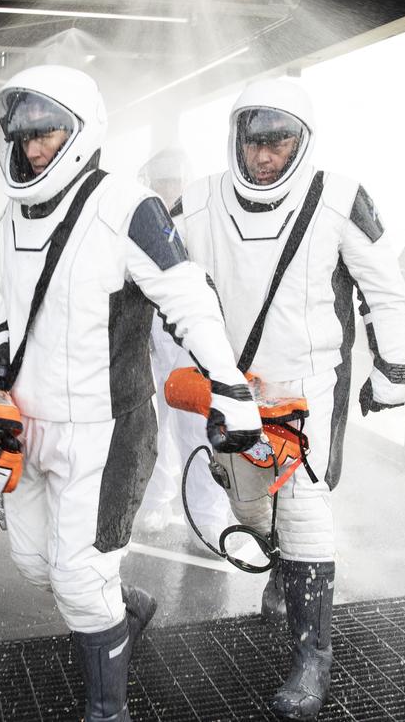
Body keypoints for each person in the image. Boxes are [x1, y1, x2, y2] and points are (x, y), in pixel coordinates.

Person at [0, 65, 263, 722]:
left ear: (79, 132)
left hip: (104, 430)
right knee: (35, 562)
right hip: (26, 420)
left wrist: (231, 387)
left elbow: (188, 297)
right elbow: (8, 300)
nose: (32, 148)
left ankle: (109, 710)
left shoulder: (127, 207)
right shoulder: (10, 211)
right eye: (22, 135)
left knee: (77, 577)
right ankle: (125, 610)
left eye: (45, 132)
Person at [171, 78, 405, 720]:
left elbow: (384, 289)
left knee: (304, 507)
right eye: (254, 142)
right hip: (232, 387)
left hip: (309, 384)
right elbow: (154, 276)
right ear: (237, 140)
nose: (265, 158)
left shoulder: (340, 199)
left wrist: (392, 373)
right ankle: (280, 568)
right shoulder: (197, 204)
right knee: (246, 500)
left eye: (279, 143)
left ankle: (312, 659)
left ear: (302, 142)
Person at [134, 148, 234, 543]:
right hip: (154, 338)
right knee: (154, 426)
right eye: (162, 180)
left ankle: (207, 517)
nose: (168, 186)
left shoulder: (203, 221)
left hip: (192, 342)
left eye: (174, 179)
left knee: (198, 428)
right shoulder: (139, 222)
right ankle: (157, 500)